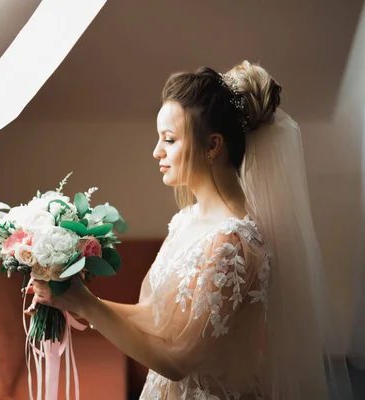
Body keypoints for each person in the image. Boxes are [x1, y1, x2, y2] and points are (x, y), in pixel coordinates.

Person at [31, 61, 353, 399]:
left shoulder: (234, 242)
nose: (157, 152)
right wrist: (70, 299)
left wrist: (86, 305)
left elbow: (177, 361)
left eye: (169, 140)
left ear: (213, 145)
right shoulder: (187, 218)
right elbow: (153, 315)